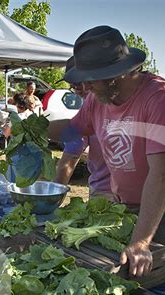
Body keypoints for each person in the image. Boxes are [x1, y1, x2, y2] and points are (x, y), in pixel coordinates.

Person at [50, 26, 165, 289]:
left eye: (90, 79)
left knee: (156, 284)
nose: (84, 87)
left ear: (115, 75)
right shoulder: (96, 99)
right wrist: (33, 126)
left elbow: (162, 173)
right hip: (120, 209)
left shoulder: (159, 98)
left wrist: (141, 241)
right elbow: (75, 129)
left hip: (159, 213)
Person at [55, 58, 113, 200]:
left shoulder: (96, 105)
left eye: (76, 84)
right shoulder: (89, 106)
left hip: (108, 193)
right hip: (103, 188)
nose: (77, 89)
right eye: (72, 85)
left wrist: (53, 199)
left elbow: (70, 157)